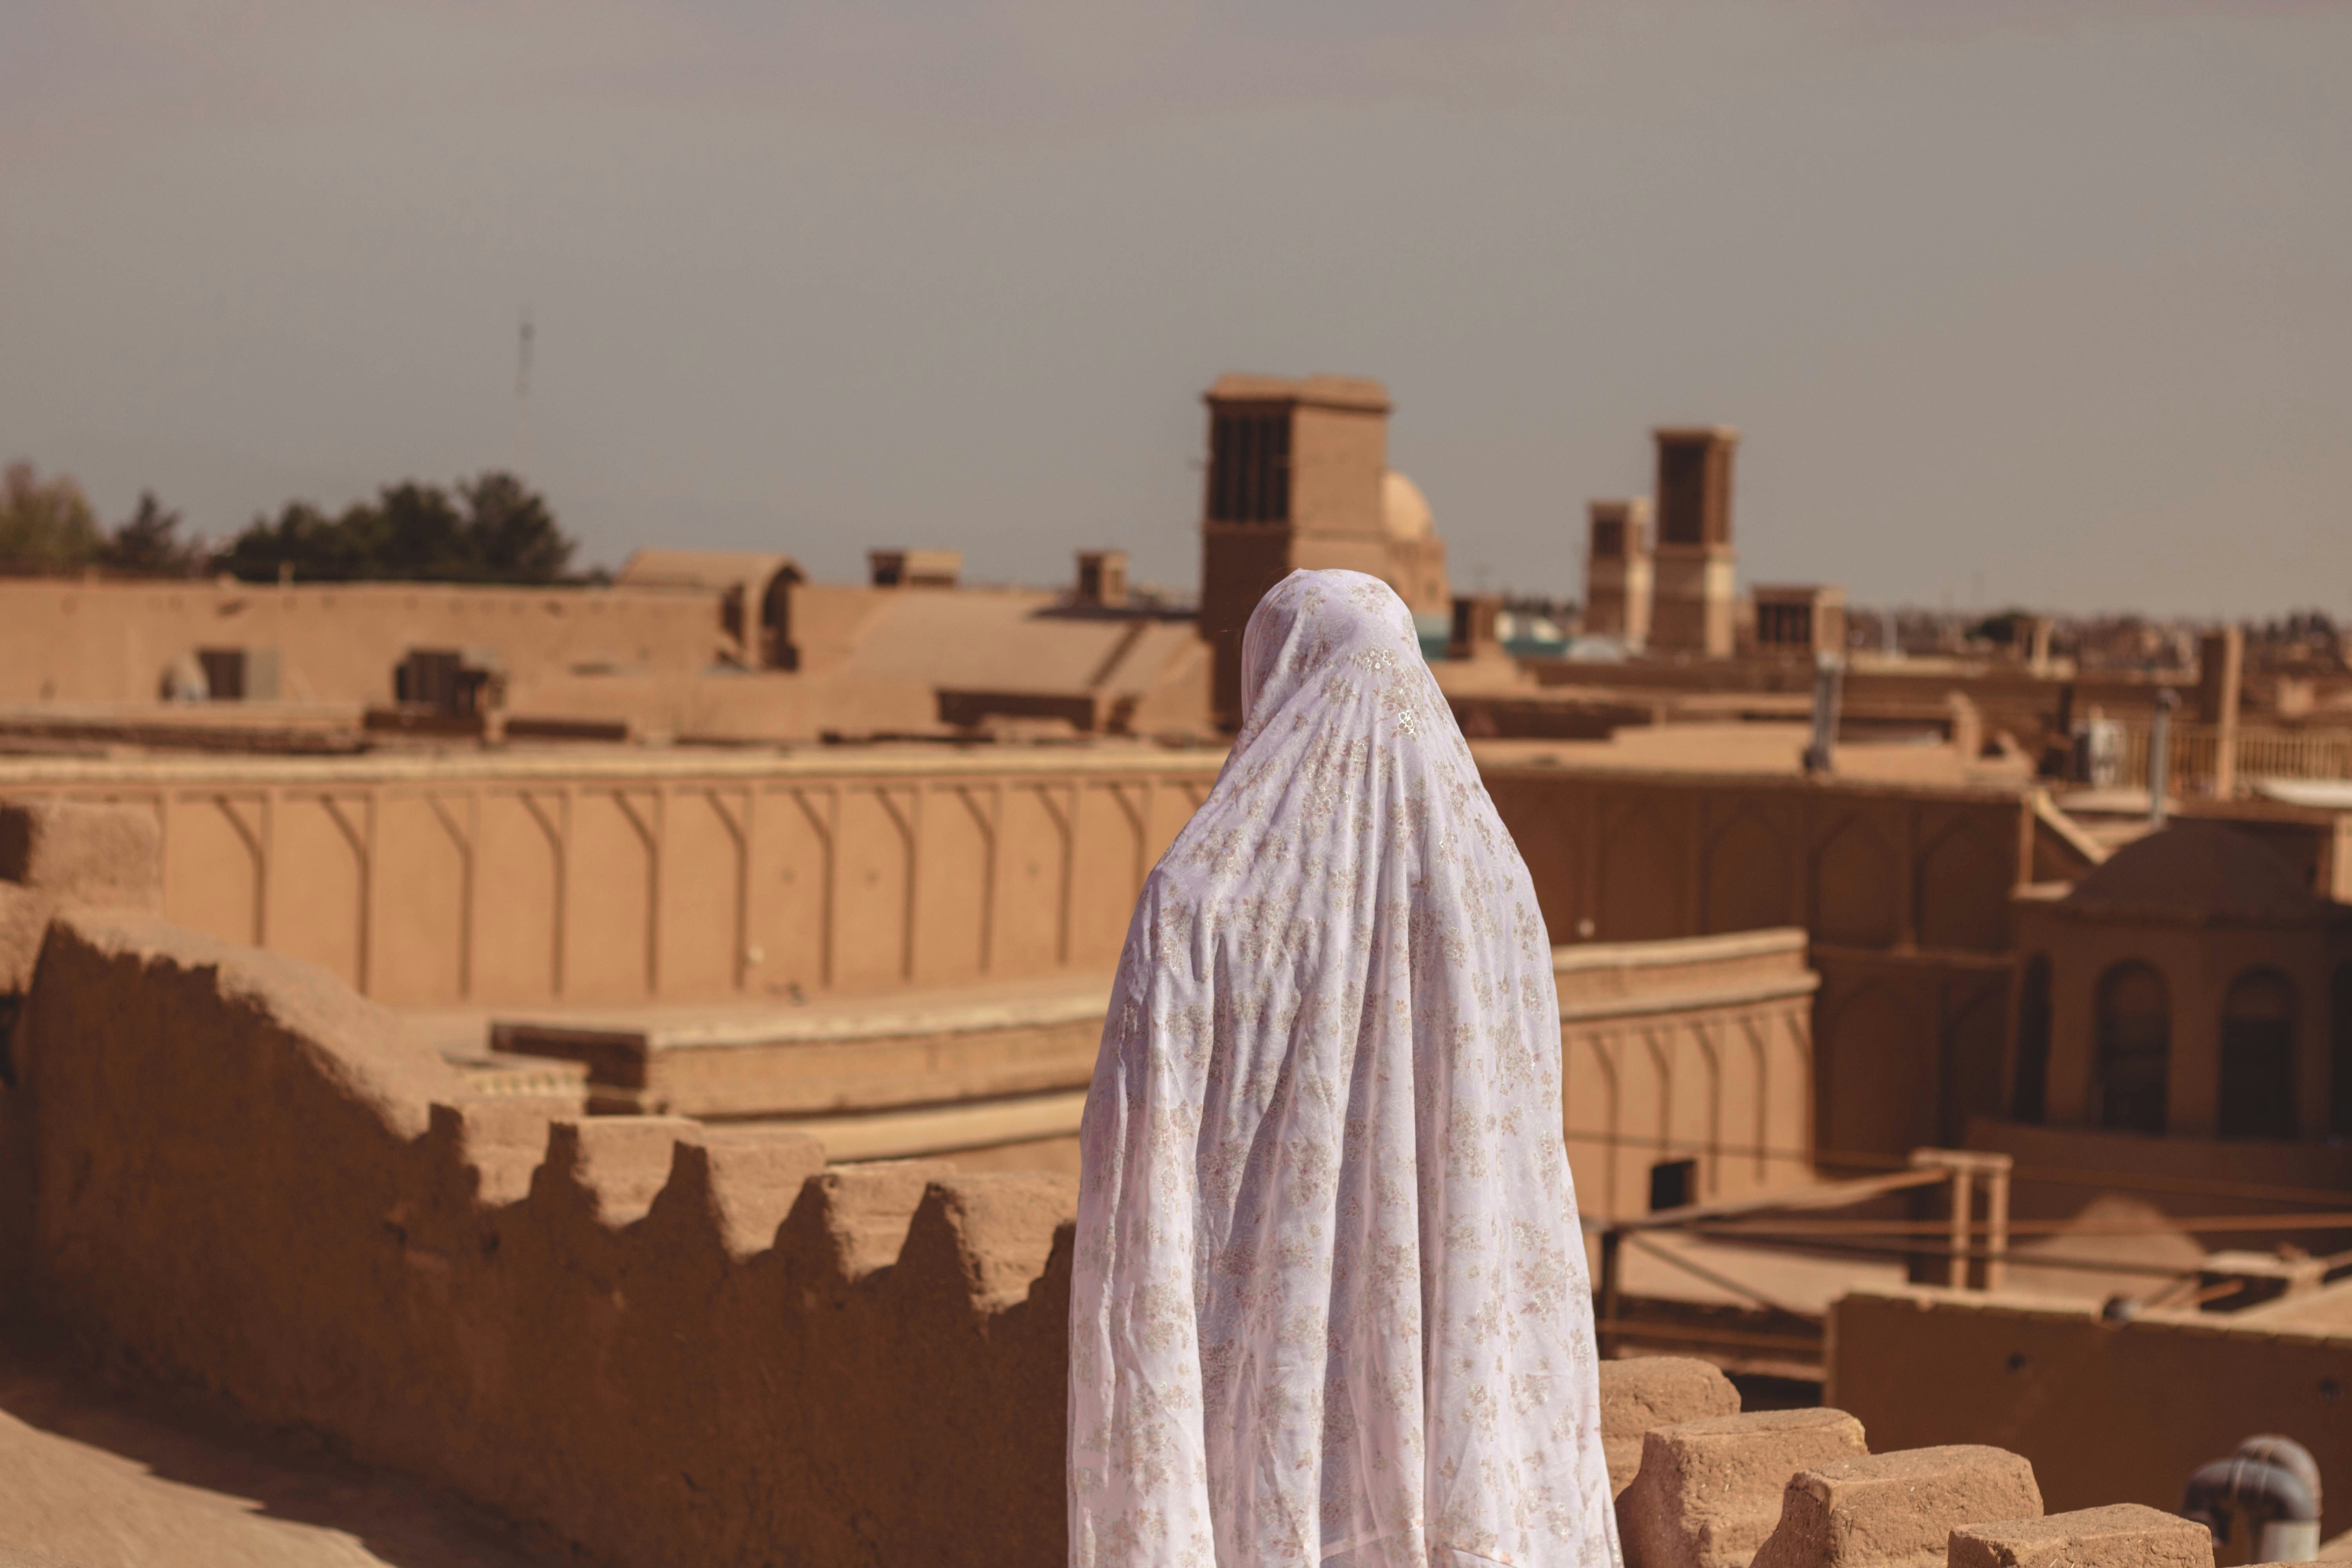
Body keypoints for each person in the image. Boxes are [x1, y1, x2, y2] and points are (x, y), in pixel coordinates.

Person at [1068, 570, 1619, 1567]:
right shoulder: (1498, 897)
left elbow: (1136, 1191)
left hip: (1259, 1426)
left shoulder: (1203, 901)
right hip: (1460, 1409)